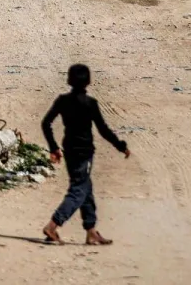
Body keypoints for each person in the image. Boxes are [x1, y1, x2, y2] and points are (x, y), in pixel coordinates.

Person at [41, 64, 130, 246]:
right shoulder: (90, 104)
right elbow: (103, 130)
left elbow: (46, 123)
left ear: (69, 80)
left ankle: (91, 232)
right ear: (88, 81)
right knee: (78, 189)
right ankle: (53, 225)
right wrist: (121, 146)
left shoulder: (62, 101)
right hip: (84, 152)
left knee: (85, 188)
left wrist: (53, 147)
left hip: (69, 150)